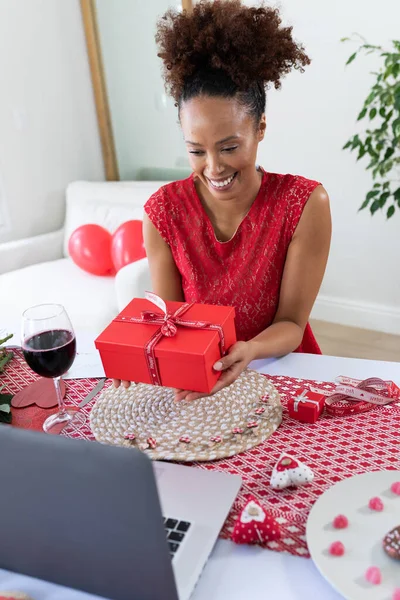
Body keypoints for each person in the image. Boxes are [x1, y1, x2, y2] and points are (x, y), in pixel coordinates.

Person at [114, 0, 331, 400]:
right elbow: (170, 323)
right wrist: (141, 355)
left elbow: (291, 324)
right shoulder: (162, 212)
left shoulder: (304, 204)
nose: (213, 167)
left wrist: (249, 350)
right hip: (206, 375)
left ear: (260, 128)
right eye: (196, 150)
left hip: (283, 371)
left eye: (229, 146)